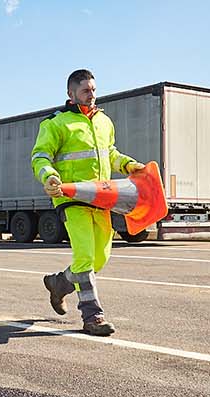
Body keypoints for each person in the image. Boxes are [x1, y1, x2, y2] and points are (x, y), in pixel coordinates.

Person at [30, 69, 149, 336]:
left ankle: (59, 283)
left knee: (100, 259)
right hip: (70, 199)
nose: (92, 94)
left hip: (102, 199)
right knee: (84, 256)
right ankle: (92, 316)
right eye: (85, 90)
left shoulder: (104, 121)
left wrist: (129, 165)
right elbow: (40, 156)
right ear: (71, 93)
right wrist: (49, 176)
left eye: (93, 89)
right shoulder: (55, 123)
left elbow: (111, 154)